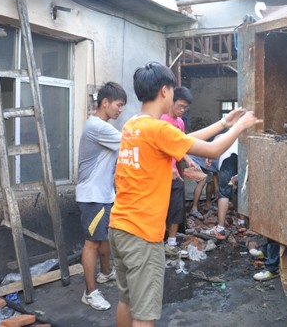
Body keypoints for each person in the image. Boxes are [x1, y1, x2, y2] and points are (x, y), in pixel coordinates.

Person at [109, 61, 261, 327]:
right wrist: (240, 127)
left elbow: (188, 140)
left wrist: (224, 122)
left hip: (119, 226)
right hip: (142, 234)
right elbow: (211, 151)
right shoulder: (158, 129)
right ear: (165, 91)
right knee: (145, 314)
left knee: (127, 300)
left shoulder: (133, 125)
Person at [76, 81, 127, 311]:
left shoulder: (98, 123)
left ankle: (106, 273)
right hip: (93, 195)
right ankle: (90, 292)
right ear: (104, 103)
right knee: (92, 243)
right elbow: (133, 142)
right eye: (118, 104)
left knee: (104, 238)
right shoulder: (99, 127)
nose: (120, 109)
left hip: (104, 193)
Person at [161, 86, 195, 258]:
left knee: (176, 207)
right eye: (180, 106)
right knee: (160, 208)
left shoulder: (180, 123)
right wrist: (171, 167)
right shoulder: (160, 120)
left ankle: (171, 243)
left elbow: (180, 146)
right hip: (160, 174)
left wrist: (188, 160)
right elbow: (160, 149)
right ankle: (156, 242)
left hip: (174, 174)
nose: (182, 111)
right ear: (172, 102)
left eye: (185, 108)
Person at [201, 138, 238, 240]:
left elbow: (218, 138)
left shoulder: (224, 134)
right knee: (242, 188)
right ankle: (241, 223)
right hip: (243, 152)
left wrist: (209, 155)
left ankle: (220, 229)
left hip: (229, 155)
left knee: (224, 192)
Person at [189, 155, 218, 220]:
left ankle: (208, 204)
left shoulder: (219, 158)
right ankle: (194, 209)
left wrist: (216, 186)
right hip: (191, 159)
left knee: (211, 180)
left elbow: (215, 172)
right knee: (202, 179)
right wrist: (216, 187)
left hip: (202, 162)